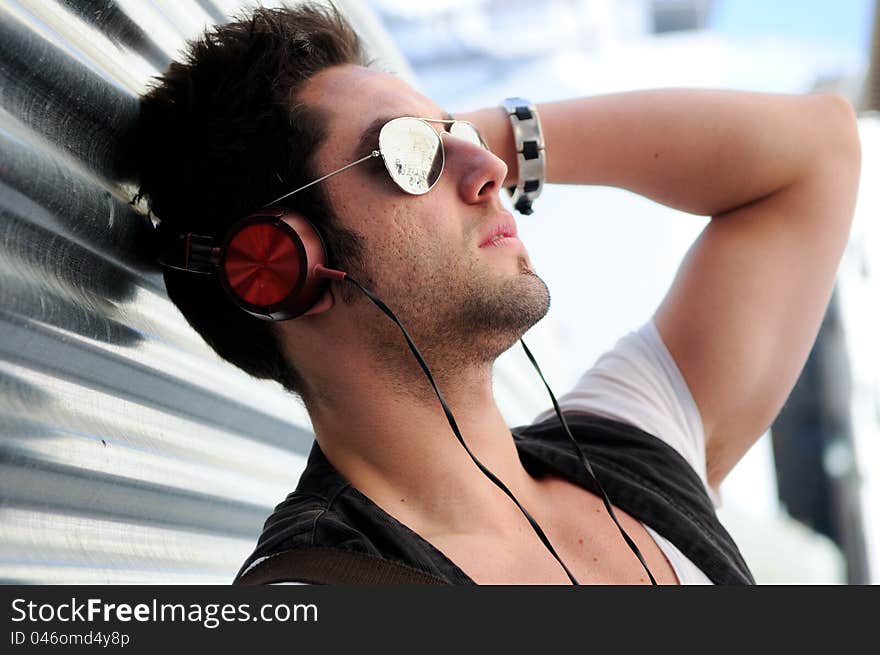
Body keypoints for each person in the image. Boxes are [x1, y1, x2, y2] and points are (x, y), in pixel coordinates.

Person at [133, 3, 861, 585]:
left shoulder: (630, 450)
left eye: (455, 132)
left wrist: (489, 133)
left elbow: (818, 150)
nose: (488, 168)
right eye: (406, 153)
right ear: (281, 264)